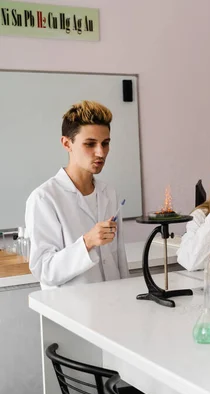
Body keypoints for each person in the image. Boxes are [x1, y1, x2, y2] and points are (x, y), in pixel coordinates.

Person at [25, 101, 128, 289]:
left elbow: (119, 258)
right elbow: (45, 271)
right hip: (72, 310)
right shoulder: (44, 198)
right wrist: (87, 242)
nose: (101, 152)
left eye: (105, 143)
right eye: (90, 144)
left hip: (115, 303)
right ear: (67, 143)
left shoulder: (109, 193)